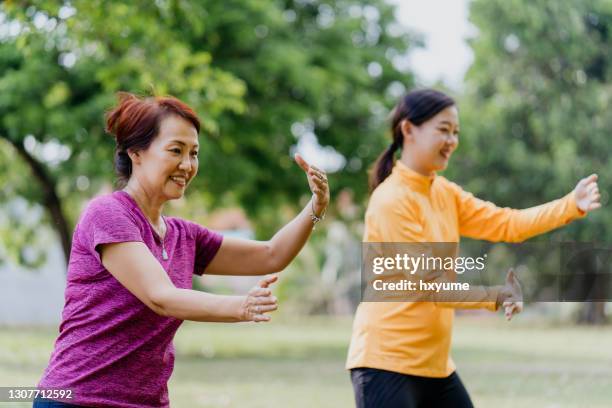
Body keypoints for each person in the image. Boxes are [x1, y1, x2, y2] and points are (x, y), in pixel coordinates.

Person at [35, 92, 330, 408]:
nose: (187, 165)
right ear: (136, 152)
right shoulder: (107, 214)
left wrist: (315, 207)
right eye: (176, 150)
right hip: (76, 399)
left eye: (194, 153)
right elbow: (160, 296)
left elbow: (272, 254)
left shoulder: (182, 236)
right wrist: (239, 307)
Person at [346, 88, 601, 408]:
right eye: (443, 130)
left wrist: (569, 204)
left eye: (455, 132)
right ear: (408, 129)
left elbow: (508, 224)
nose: (452, 140)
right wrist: (495, 295)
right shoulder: (391, 201)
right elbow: (432, 287)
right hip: (385, 364)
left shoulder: (445, 193)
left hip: (434, 366)